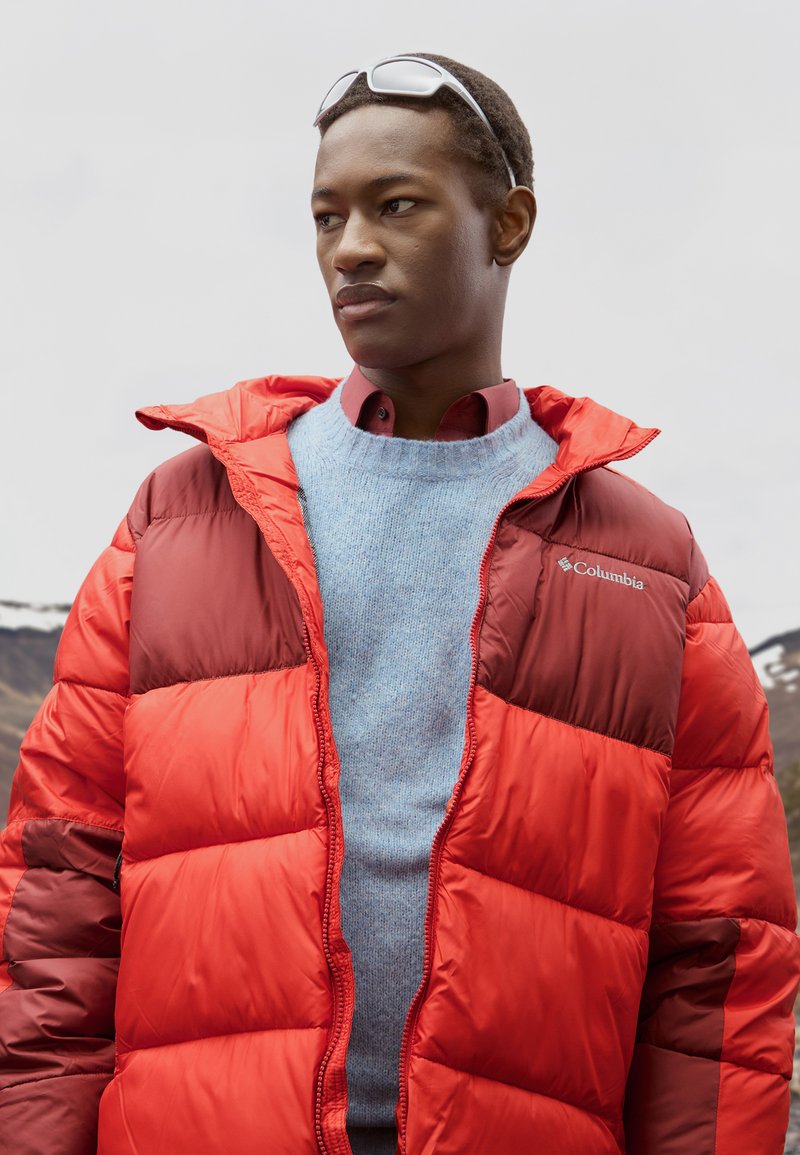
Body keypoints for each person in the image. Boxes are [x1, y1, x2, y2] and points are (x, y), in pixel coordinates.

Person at [0, 51, 797, 1155]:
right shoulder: (181, 517)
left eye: (396, 205)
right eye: (327, 216)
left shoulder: (647, 562)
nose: (351, 247)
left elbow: (718, 955)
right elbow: (59, 888)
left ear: (506, 225)